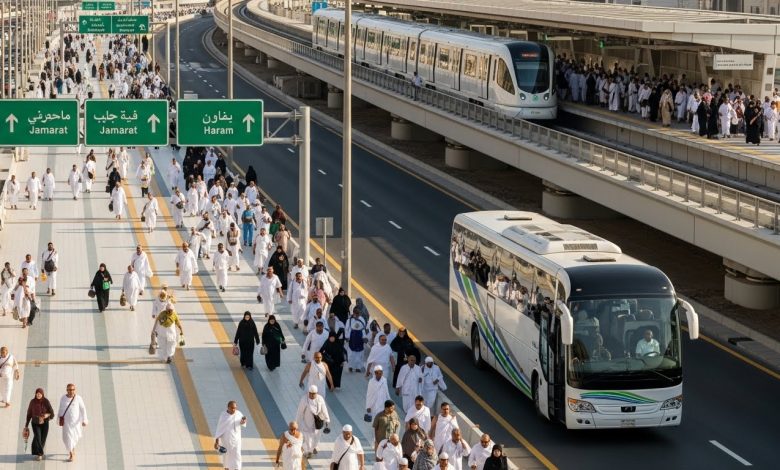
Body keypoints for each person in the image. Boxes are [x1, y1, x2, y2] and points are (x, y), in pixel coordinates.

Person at [295, 385, 330, 458]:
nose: (312, 395)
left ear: (316, 393)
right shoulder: (304, 399)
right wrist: (297, 423)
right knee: (308, 438)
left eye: (314, 393)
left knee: (316, 437)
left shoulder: (320, 399)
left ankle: (313, 448)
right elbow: (300, 412)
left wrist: (327, 419)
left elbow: (324, 409)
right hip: (307, 423)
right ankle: (309, 451)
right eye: (310, 393)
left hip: (318, 423)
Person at [58, 383, 88, 463]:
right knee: (67, 438)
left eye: (73, 389)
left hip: (75, 423)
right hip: (66, 423)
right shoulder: (63, 398)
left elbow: (83, 409)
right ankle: (71, 453)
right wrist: (59, 419)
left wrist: (84, 420)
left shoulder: (78, 398)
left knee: (74, 437)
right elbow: (60, 409)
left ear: (75, 390)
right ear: (67, 390)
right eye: (70, 390)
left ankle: (72, 450)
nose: (71, 391)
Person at [214, 400, 247, 470]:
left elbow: (242, 423)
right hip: (227, 441)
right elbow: (219, 429)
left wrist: (243, 421)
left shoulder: (238, 413)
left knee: (237, 456)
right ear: (228, 407)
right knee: (227, 458)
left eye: (235, 408)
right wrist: (216, 442)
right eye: (232, 408)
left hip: (237, 441)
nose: (234, 409)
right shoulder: (223, 416)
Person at [25, 388, 54, 461]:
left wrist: (47, 416)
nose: (38, 395)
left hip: (45, 423)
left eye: (40, 394)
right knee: (38, 437)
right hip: (35, 423)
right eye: (37, 393)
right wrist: (26, 425)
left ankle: (37, 452)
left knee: (43, 439)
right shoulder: (32, 402)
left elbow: (51, 412)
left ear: (42, 394)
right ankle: (40, 454)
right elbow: (29, 414)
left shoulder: (46, 401)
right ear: (35, 394)